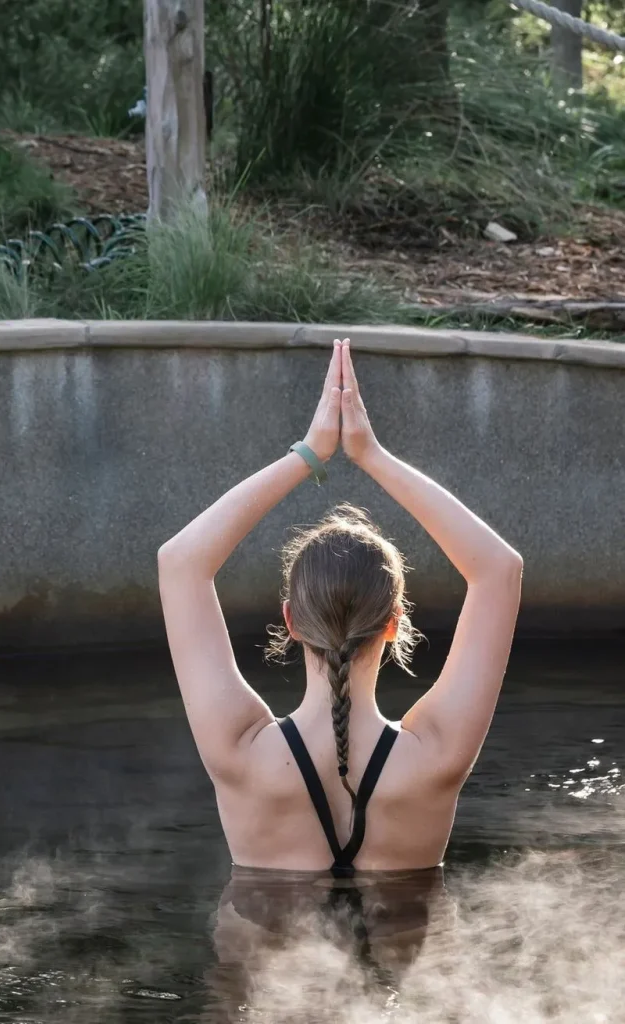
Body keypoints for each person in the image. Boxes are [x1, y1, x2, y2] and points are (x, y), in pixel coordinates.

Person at [158, 338, 521, 1002]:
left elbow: (181, 562)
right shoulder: (434, 756)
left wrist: (310, 453)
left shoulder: (238, 752)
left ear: (289, 622)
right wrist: (372, 456)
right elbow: (498, 570)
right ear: (394, 622)